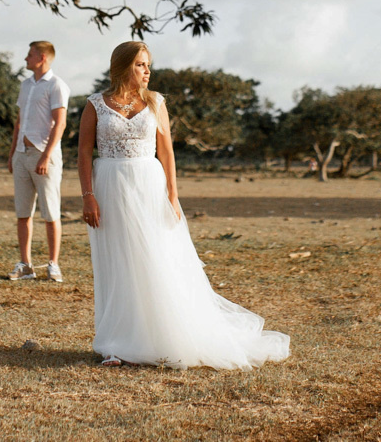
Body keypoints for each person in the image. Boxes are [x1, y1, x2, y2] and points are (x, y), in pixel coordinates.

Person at [78, 40, 290, 369]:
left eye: (148, 65)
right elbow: (82, 153)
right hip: (109, 185)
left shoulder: (156, 102)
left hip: (149, 184)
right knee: (118, 263)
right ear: (123, 67)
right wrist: (87, 195)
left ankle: (158, 337)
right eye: (140, 65)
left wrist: (173, 196)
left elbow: (166, 152)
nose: (147, 71)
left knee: (156, 258)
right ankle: (116, 344)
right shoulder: (96, 104)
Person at [7, 40, 70, 282]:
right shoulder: (25, 86)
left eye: (30, 54)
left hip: (46, 156)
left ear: (42, 57)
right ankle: (25, 265)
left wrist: (45, 156)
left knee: (51, 212)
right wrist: (13, 153)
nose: (26, 58)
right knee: (23, 212)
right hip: (22, 155)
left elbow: (60, 123)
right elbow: (19, 121)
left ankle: (53, 264)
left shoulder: (57, 85)